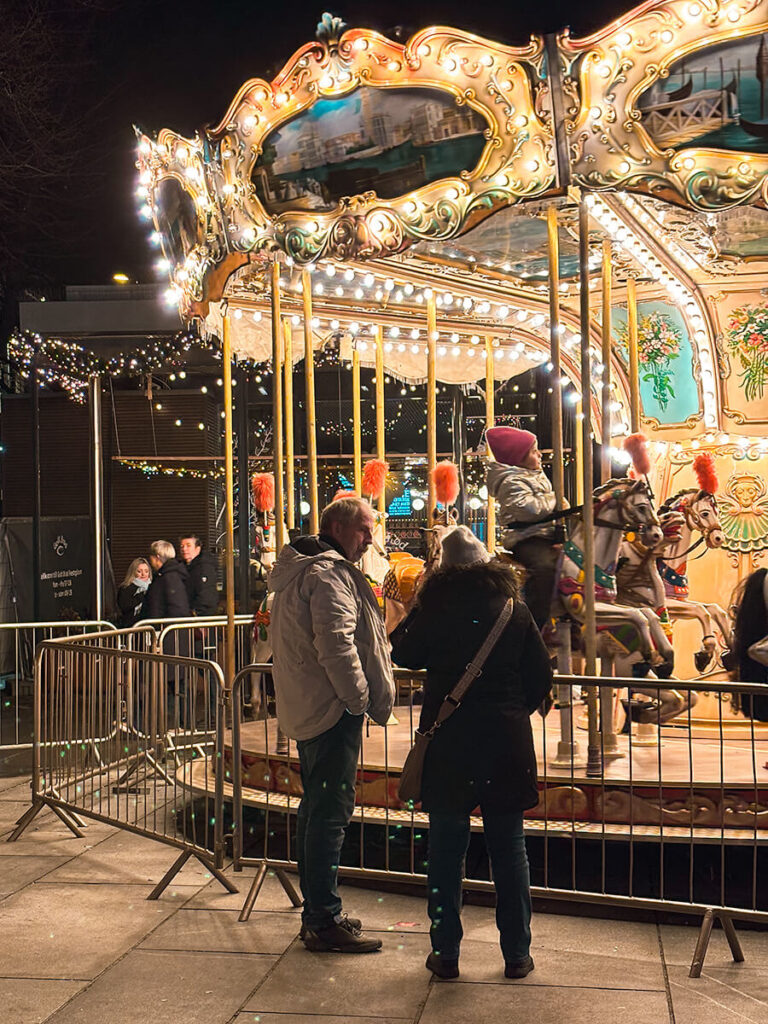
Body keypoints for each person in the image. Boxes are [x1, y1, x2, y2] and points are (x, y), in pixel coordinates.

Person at [390, 525, 553, 980]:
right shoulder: (512, 608)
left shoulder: (436, 608)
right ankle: (517, 953)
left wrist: (420, 600)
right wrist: (512, 710)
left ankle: (446, 953)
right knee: (509, 849)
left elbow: (402, 650)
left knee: (445, 850)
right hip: (504, 740)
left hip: (450, 741)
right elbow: (540, 675)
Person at [269, 496, 395, 954]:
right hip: (330, 709)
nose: (369, 539)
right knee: (329, 813)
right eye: (364, 529)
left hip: (312, 705)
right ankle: (322, 918)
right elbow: (337, 644)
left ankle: (321, 912)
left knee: (317, 810)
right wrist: (357, 699)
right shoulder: (327, 575)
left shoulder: (305, 571)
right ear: (339, 528)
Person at [486, 426, 561, 631]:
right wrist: (555, 498)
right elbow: (528, 509)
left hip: (547, 534)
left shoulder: (533, 474)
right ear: (518, 458)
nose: (539, 454)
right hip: (527, 538)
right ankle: (535, 624)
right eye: (533, 451)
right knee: (544, 569)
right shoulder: (511, 481)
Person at [179, 535, 218, 615]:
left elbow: (206, 595)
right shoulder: (183, 567)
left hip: (200, 617)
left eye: (188, 546)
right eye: (182, 546)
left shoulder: (205, 567)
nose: (184, 549)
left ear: (197, 548)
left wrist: (196, 613)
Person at [116, 557, 151, 627]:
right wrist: (142, 594)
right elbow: (124, 607)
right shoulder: (125, 588)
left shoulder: (153, 586)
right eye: (139, 571)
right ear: (133, 572)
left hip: (147, 626)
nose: (143, 574)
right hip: (130, 627)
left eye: (146, 571)